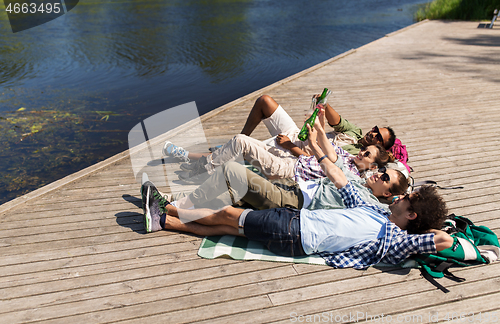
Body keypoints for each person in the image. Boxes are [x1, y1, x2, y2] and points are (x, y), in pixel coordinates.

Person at [142, 164, 452, 269]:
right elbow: (340, 180)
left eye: (407, 199)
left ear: (412, 214)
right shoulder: (375, 209)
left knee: (227, 214)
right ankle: (164, 223)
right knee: (228, 229)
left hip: (294, 231)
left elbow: (442, 239)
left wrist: (439, 228)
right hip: (294, 221)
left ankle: (164, 206)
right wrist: (317, 142)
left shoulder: (395, 240)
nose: (399, 197)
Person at [162, 94, 396, 183]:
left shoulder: (357, 160)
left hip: (297, 153)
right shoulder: (355, 133)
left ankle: (192, 157)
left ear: (380, 149)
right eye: (375, 129)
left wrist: (291, 146)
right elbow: (328, 128)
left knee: (242, 148)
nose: (372, 134)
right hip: (303, 138)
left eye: (377, 138)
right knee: (265, 101)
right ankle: (226, 149)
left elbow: (319, 161)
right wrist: (321, 109)